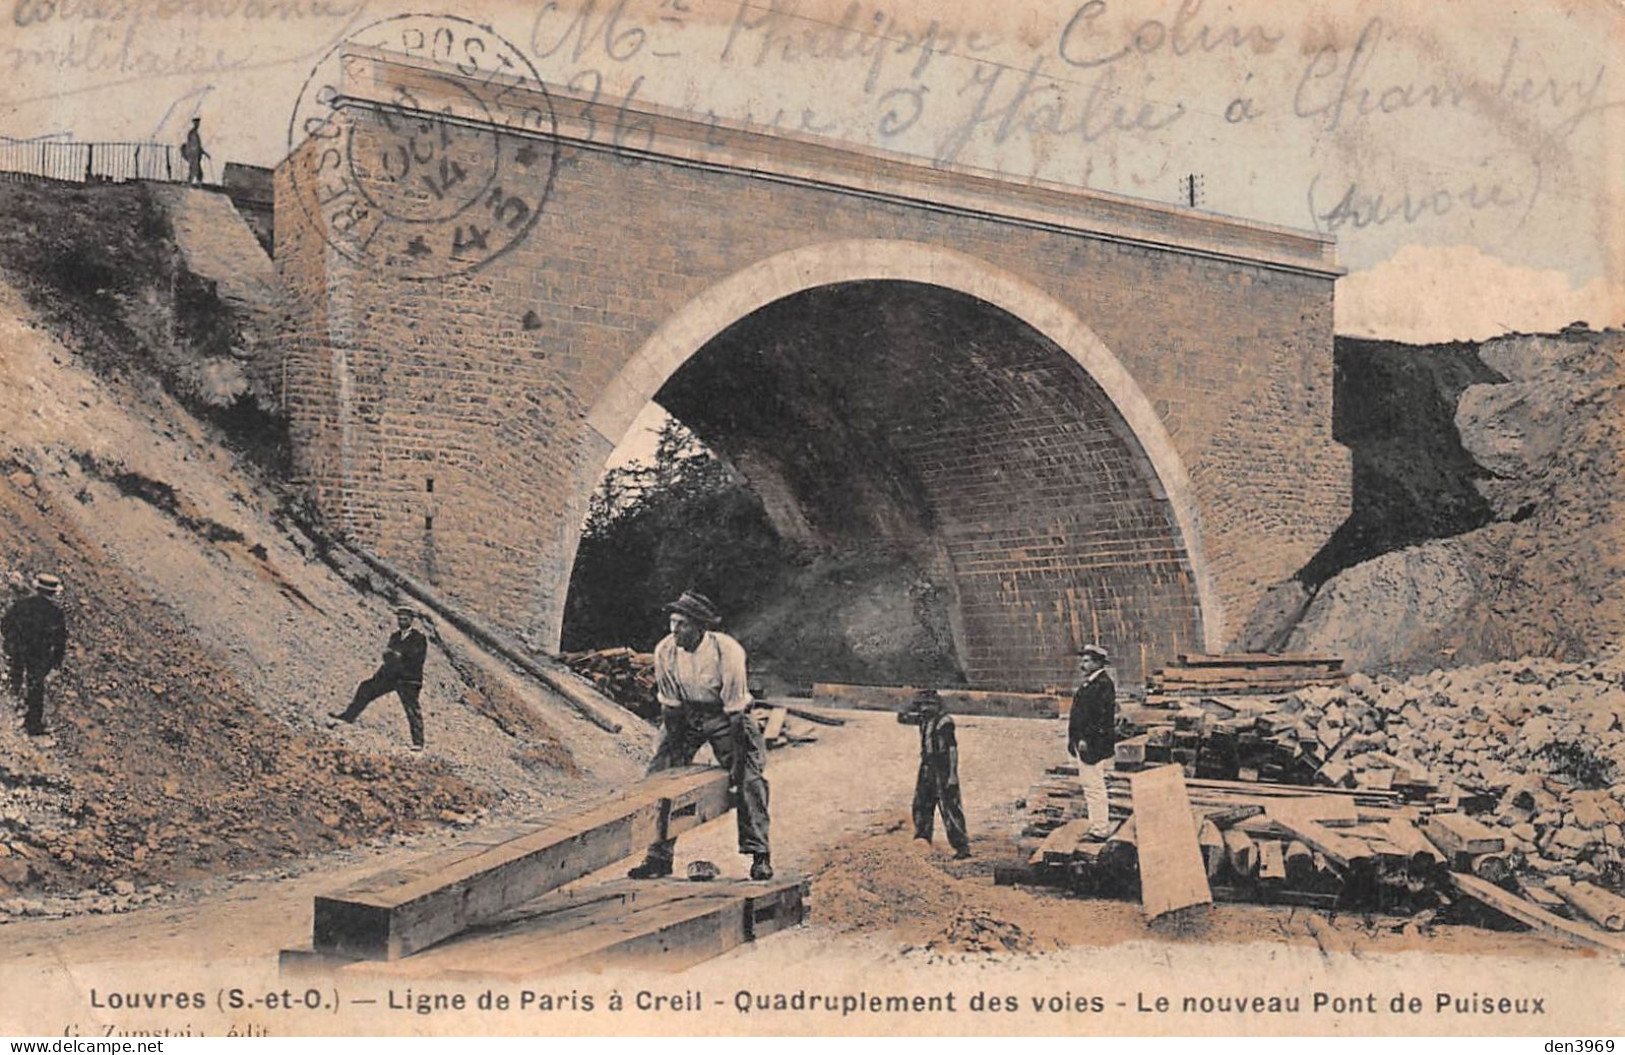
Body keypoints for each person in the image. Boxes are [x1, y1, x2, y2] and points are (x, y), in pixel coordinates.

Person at [628, 590, 772, 881]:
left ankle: (760, 854)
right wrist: (675, 756)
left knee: (750, 780)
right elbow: (671, 708)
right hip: (686, 715)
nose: (674, 630)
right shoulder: (665, 651)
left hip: (726, 715)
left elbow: (735, 713)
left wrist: (737, 767)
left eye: (681, 624)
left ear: (699, 627)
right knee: (659, 776)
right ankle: (658, 857)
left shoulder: (726, 651)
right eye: (672, 623)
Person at [330, 605, 427, 750]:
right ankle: (348, 717)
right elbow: (388, 657)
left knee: (412, 708)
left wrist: (398, 655)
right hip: (390, 676)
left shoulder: (419, 638)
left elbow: (416, 658)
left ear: (411, 620)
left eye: (405, 618)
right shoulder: (394, 636)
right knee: (366, 687)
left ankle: (418, 742)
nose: (402, 620)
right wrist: (379, 675)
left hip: (408, 679)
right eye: (399, 618)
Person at [903, 688, 971, 859]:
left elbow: (953, 749)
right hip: (926, 766)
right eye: (923, 705)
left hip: (943, 767)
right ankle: (923, 841)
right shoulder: (924, 720)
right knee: (921, 804)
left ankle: (961, 846)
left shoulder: (944, 722)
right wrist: (912, 703)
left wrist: (952, 775)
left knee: (949, 807)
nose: (925, 708)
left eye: (929, 705)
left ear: (937, 704)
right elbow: (901, 717)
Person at [2, 573, 68, 738]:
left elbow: (5, 623)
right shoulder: (55, 613)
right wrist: (56, 662)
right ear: (53, 593)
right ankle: (32, 723)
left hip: (19, 649)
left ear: (37, 587)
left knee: (15, 678)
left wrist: (11, 643)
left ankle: (7, 712)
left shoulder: (22, 604)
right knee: (36, 686)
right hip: (40, 655)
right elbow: (60, 640)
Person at [1069, 643, 1117, 838]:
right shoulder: (1092, 682)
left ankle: (1100, 828)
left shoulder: (1103, 685)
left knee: (1094, 786)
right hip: (1085, 742)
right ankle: (1097, 824)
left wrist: (1085, 739)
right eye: (1083, 660)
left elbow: (1100, 718)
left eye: (1087, 661)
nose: (1083, 664)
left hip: (1092, 744)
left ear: (1098, 663)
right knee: (1091, 785)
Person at [180, 117, 209, 185]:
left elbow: (198, 145)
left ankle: (195, 182)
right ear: (194, 123)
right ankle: (191, 182)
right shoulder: (192, 133)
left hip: (196, 154)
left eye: (198, 123)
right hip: (193, 154)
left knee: (196, 169)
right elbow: (193, 144)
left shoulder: (195, 133)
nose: (198, 124)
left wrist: (204, 153)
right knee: (194, 169)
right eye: (196, 123)